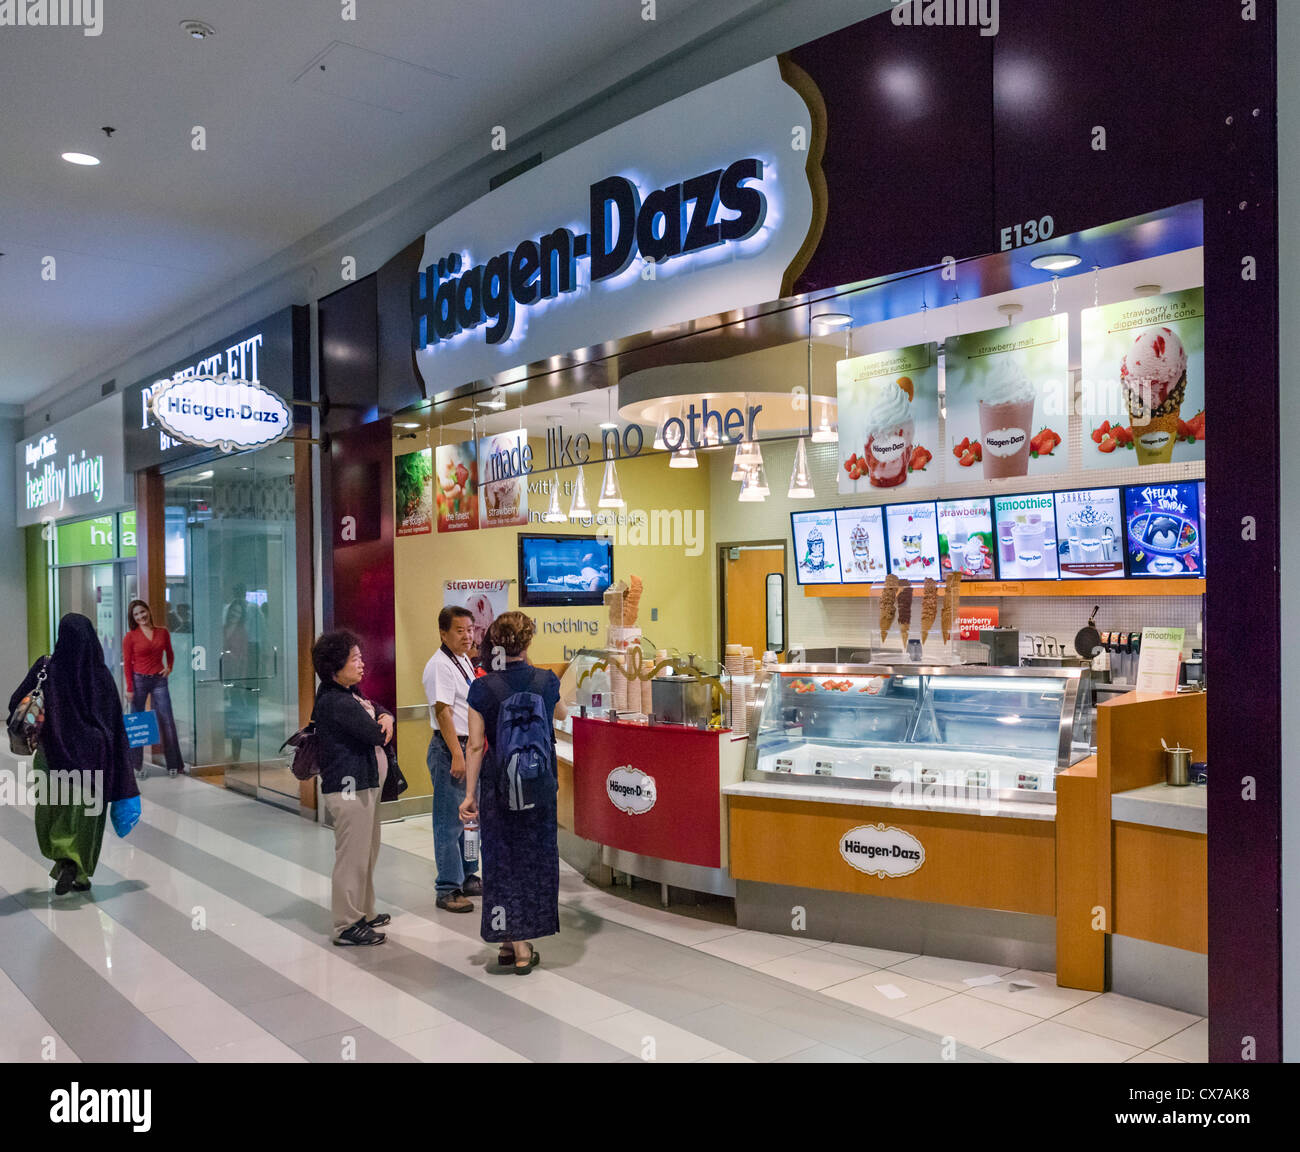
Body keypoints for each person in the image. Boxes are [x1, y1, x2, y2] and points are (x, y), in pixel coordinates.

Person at [459, 611, 566, 973]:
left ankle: (506, 939)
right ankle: (522, 947)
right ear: (528, 642)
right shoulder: (546, 681)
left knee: (501, 860)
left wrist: (469, 793)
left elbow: (474, 747)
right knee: (533, 860)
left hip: (497, 786)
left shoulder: (482, 688)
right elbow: (562, 715)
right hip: (539, 785)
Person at [9, 614, 137, 894]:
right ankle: (79, 870)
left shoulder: (48, 667)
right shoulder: (100, 674)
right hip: (94, 756)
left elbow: (15, 702)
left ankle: (62, 856)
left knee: (53, 808)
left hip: (52, 753)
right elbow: (115, 722)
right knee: (88, 815)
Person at [311, 630, 395, 946]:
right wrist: (383, 722)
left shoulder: (351, 693)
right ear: (335, 667)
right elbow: (375, 733)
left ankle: (365, 911)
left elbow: (381, 708)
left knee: (367, 852)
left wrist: (384, 715)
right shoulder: (336, 701)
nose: (362, 664)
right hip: (349, 789)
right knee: (352, 856)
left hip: (365, 786)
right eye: (355, 659)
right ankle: (347, 924)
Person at [423, 606, 480, 913]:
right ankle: (447, 887)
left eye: (470, 629)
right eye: (460, 631)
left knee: (469, 818)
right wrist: (457, 755)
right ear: (443, 633)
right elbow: (443, 711)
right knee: (449, 822)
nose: (467, 636)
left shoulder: (463, 661)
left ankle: (468, 875)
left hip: (469, 749)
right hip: (450, 750)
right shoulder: (439, 665)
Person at [122, 599, 185, 777]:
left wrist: (169, 667)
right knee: (139, 723)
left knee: (167, 720)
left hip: (159, 680)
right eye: (136, 614)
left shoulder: (162, 632)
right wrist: (129, 688)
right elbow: (127, 664)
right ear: (133, 618)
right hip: (138, 681)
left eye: (142, 612)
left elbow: (170, 653)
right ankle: (136, 766)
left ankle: (174, 764)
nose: (141, 616)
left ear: (148, 611)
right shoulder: (130, 637)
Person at [222, 599, 253, 763]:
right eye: (233, 611)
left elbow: (244, 659)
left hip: (235, 678)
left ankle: (236, 755)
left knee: (236, 716)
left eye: (238, 613)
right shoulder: (222, 629)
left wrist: (240, 681)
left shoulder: (242, 632)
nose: (235, 615)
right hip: (221, 675)